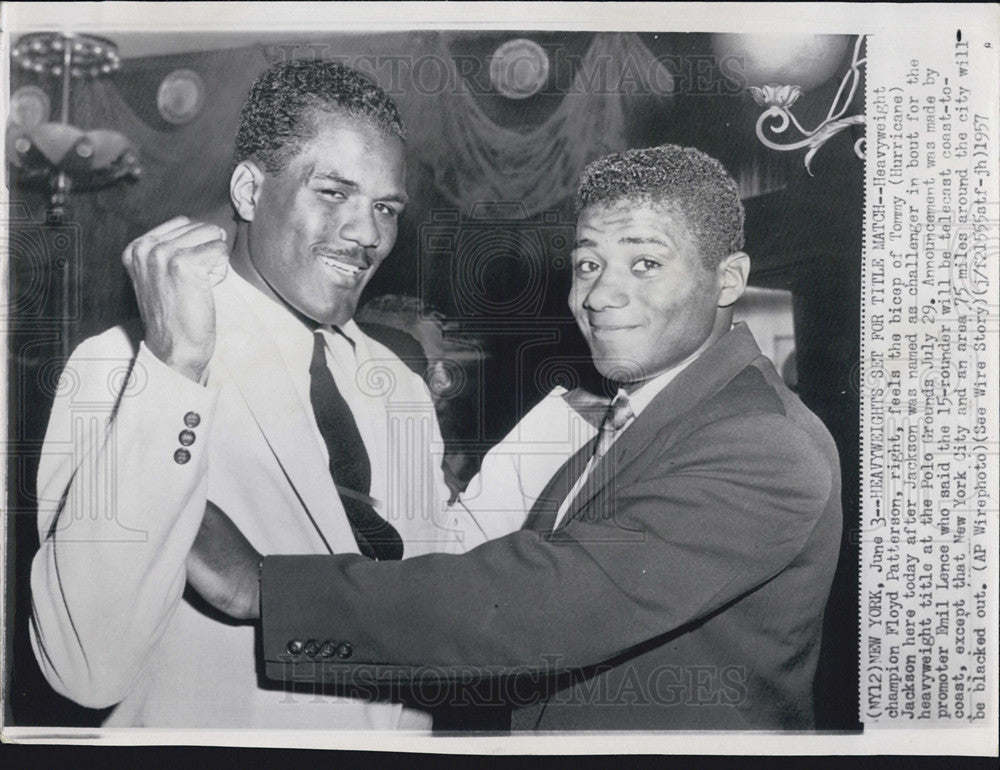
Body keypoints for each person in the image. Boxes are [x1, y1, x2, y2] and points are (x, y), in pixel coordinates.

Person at [186, 143, 845, 730]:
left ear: (728, 279)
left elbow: (538, 606)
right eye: (587, 264)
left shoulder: (764, 442)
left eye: (644, 262)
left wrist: (267, 591)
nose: (599, 295)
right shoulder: (636, 412)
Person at [29, 59, 481, 728]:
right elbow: (85, 667)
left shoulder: (399, 385)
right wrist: (176, 365)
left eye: (386, 207)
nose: (367, 234)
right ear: (248, 189)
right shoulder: (124, 366)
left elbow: (430, 611)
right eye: (332, 192)